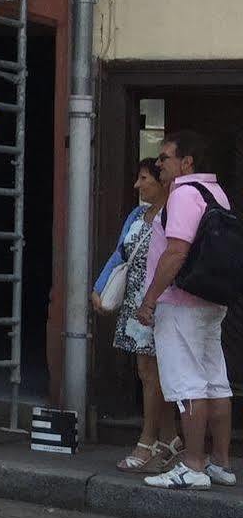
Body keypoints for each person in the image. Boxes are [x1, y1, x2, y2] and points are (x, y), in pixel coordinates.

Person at [135, 131, 235, 489]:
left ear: (186, 162)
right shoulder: (216, 193)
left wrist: (149, 299)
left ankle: (192, 465)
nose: (159, 163)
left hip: (181, 303)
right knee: (215, 381)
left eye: (164, 157)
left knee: (187, 382)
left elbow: (176, 251)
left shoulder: (183, 195)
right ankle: (220, 463)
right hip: (212, 301)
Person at [91, 158, 180, 473]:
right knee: (148, 373)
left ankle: (147, 441)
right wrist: (99, 287)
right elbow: (120, 254)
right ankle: (169, 438)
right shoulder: (137, 214)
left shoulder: (174, 216)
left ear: (162, 181)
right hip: (133, 305)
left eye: (144, 178)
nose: (137, 185)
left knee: (152, 373)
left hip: (159, 303)